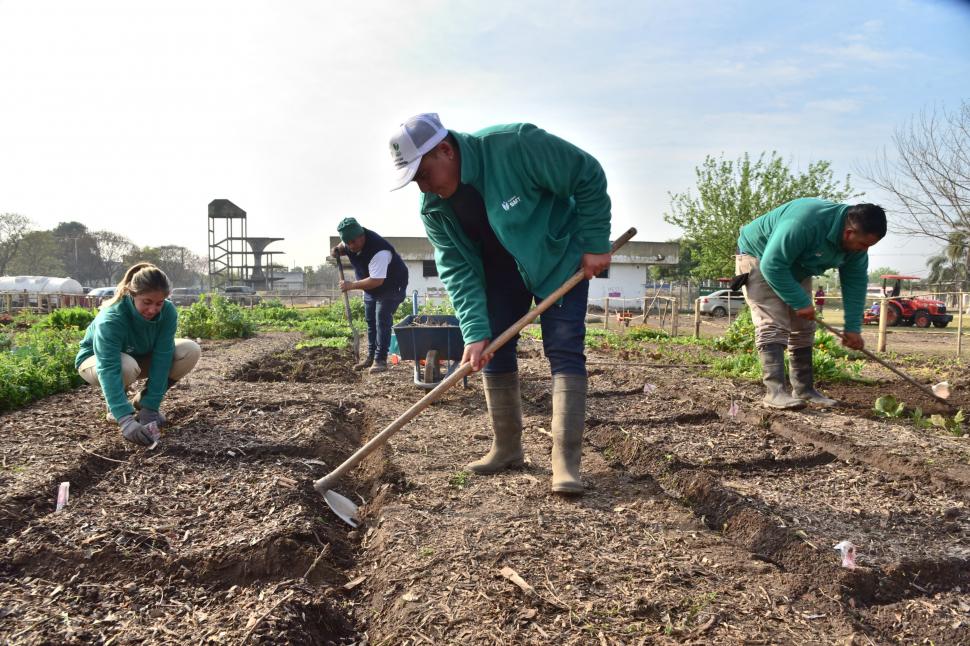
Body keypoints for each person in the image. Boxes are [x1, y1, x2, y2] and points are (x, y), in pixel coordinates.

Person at [388, 113, 612, 495]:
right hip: (498, 273)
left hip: (556, 258)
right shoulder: (434, 209)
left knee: (564, 349)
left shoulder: (516, 145)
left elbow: (586, 173)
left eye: (423, 174)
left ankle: (565, 461)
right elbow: (457, 269)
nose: (421, 187)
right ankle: (507, 447)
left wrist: (594, 243)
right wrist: (474, 332)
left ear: (445, 150)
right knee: (494, 348)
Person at [736, 199, 886, 409]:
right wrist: (799, 302)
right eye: (863, 244)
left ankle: (804, 390)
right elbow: (772, 264)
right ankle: (775, 392)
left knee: (804, 326)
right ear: (849, 232)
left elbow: (855, 284)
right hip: (760, 257)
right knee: (773, 323)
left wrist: (852, 328)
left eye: (869, 246)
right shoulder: (804, 223)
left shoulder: (856, 250)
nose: (864, 250)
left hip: (797, 264)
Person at [76, 263, 201, 446]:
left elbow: (162, 357)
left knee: (190, 350)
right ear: (132, 294)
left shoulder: (167, 312)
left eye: (159, 303)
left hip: (139, 357)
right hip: (96, 362)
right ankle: (117, 407)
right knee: (124, 365)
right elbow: (108, 366)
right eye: (147, 302)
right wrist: (125, 420)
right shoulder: (112, 318)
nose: (153, 310)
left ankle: (142, 402)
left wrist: (151, 406)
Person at [330, 217, 409, 373]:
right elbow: (340, 247)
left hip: (391, 286)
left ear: (362, 236)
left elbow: (376, 280)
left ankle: (380, 360)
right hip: (371, 288)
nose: (351, 246)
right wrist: (336, 250)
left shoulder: (379, 250)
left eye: (353, 242)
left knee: (382, 320)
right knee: (370, 320)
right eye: (348, 243)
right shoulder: (349, 242)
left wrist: (351, 285)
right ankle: (371, 357)